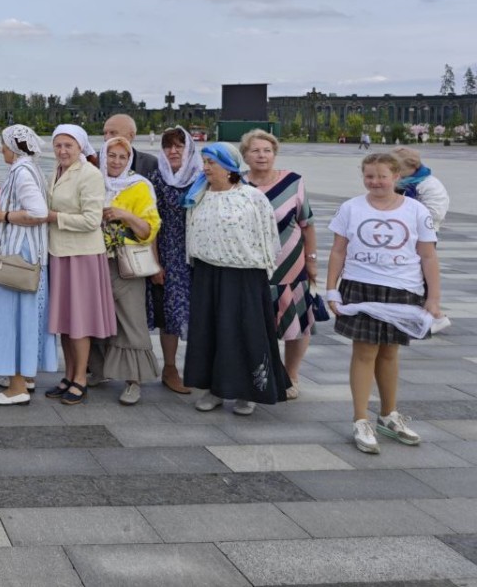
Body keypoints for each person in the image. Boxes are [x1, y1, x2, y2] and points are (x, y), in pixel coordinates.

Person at [326, 153, 441, 454]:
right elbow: (338, 251)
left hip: (403, 288)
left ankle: (389, 415)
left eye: (381, 176)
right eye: (369, 176)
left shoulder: (416, 210)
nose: (375, 182)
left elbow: (428, 255)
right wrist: (331, 290)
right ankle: (360, 418)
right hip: (361, 286)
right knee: (364, 351)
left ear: (396, 177)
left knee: (389, 352)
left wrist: (434, 298)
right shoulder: (351, 208)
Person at [183, 142, 287, 415]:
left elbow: (268, 237)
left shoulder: (251, 198)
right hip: (207, 272)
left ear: (229, 167)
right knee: (210, 331)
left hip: (244, 275)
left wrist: (263, 268)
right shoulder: (199, 196)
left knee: (242, 331)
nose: (206, 168)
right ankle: (213, 389)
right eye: (204, 162)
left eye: (212, 163)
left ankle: (246, 391)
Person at [0, 125, 58, 404]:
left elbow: (38, 212)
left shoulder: (22, 172)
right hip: (28, 254)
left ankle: (17, 387)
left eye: (3, 145)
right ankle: (22, 377)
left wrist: (3, 215)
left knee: (11, 318)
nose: (1, 150)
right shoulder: (31, 168)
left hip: (18, 256)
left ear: (13, 147)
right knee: (23, 318)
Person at [241, 130, 318, 398]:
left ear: (274, 153)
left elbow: (306, 224)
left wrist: (311, 260)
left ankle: (291, 373)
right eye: (255, 151)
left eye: (267, 150)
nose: (262, 155)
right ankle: (257, 374)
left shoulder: (293, 182)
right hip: (250, 265)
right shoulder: (237, 183)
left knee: (295, 321)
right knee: (253, 323)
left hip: (290, 264)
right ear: (245, 156)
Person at [42, 125, 115, 405]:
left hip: (82, 255)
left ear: (80, 147)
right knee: (64, 319)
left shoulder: (90, 174)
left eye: (68, 146)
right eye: (58, 145)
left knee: (79, 321)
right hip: (60, 253)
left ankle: (81, 378)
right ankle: (69, 374)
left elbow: (91, 220)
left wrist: (53, 217)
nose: (62, 150)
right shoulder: (57, 172)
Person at [89, 136, 161, 404]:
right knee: (96, 318)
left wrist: (125, 215)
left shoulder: (140, 186)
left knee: (131, 320)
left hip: (126, 263)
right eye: (111, 155)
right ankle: (99, 370)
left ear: (129, 159)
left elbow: (149, 230)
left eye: (122, 156)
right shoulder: (94, 180)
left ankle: (134, 381)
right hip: (94, 260)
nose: (116, 161)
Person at [147, 127, 200, 394]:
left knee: (201, 313)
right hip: (169, 253)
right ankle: (170, 368)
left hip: (199, 256)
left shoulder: (202, 177)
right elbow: (152, 224)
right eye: (168, 146)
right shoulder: (157, 179)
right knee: (171, 313)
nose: (174, 151)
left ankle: (201, 368)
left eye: (179, 145)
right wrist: (155, 262)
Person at [392, 147, 450, 229]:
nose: (395, 173)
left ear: (413, 166)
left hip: (424, 230)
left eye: (400, 169)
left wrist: (404, 217)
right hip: (399, 228)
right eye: (392, 169)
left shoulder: (430, 185)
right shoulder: (397, 181)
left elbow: (435, 214)